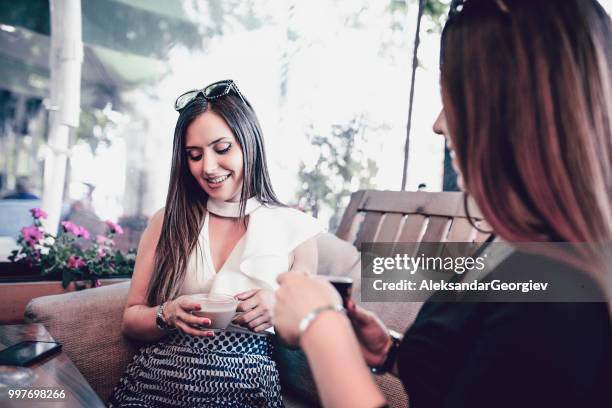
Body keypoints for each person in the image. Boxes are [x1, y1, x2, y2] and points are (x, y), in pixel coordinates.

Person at [274, 1, 612, 407]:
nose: (438, 124)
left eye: (454, 98)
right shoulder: (520, 248)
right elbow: (484, 372)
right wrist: (389, 353)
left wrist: (321, 329)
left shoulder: (557, 299)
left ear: (515, 114)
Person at [109, 79, 322, 407]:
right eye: (194, 155)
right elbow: (131, 321)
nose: (207, 167)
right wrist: (167, 313)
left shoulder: (295, 229)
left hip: (246, 386)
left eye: (222, 149)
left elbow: (312, 326)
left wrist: (279, 306)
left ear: (249, 143)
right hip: (156, 381)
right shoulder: (167, 220)